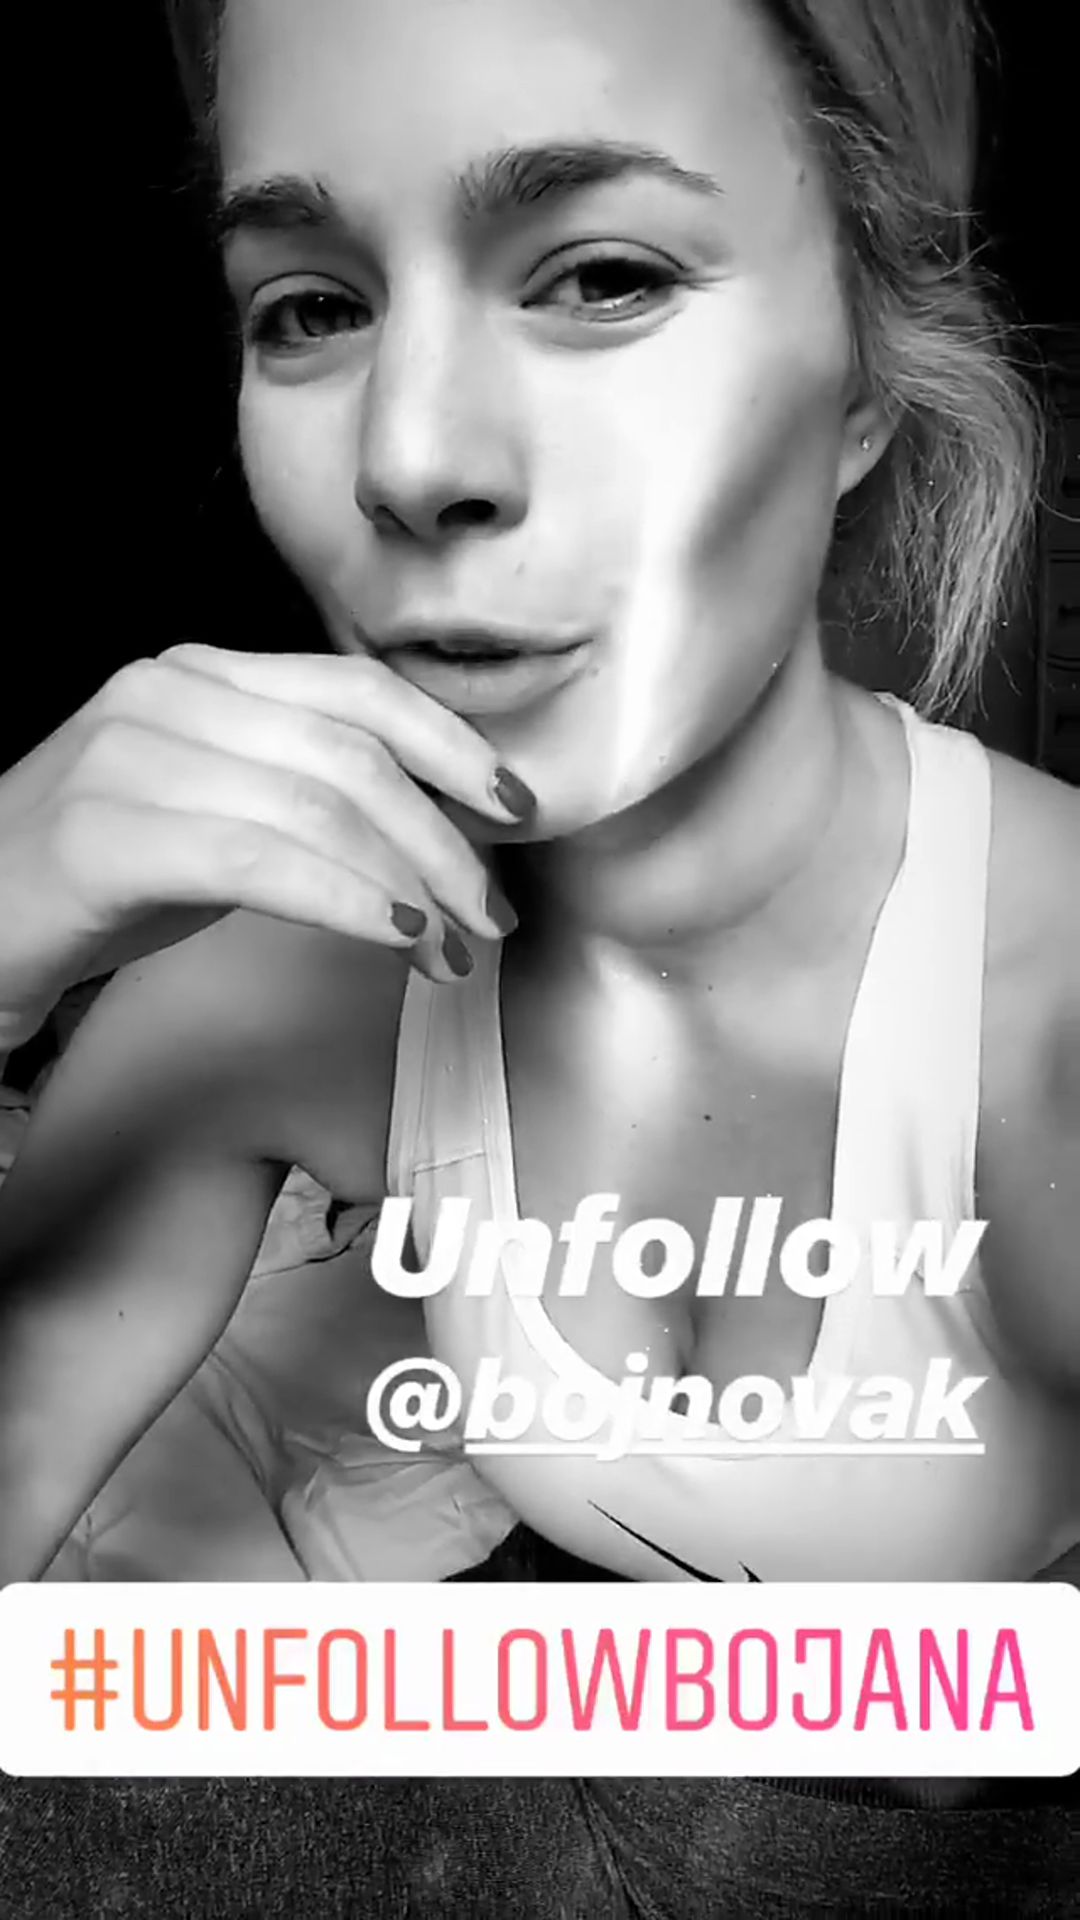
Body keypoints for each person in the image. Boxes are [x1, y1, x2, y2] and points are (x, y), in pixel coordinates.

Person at [1, 0, 1078, 1907]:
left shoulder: (1042, 1023)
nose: (411, 458)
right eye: (310, 307)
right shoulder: (284, 978)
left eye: (602, 276)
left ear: (866, 374)